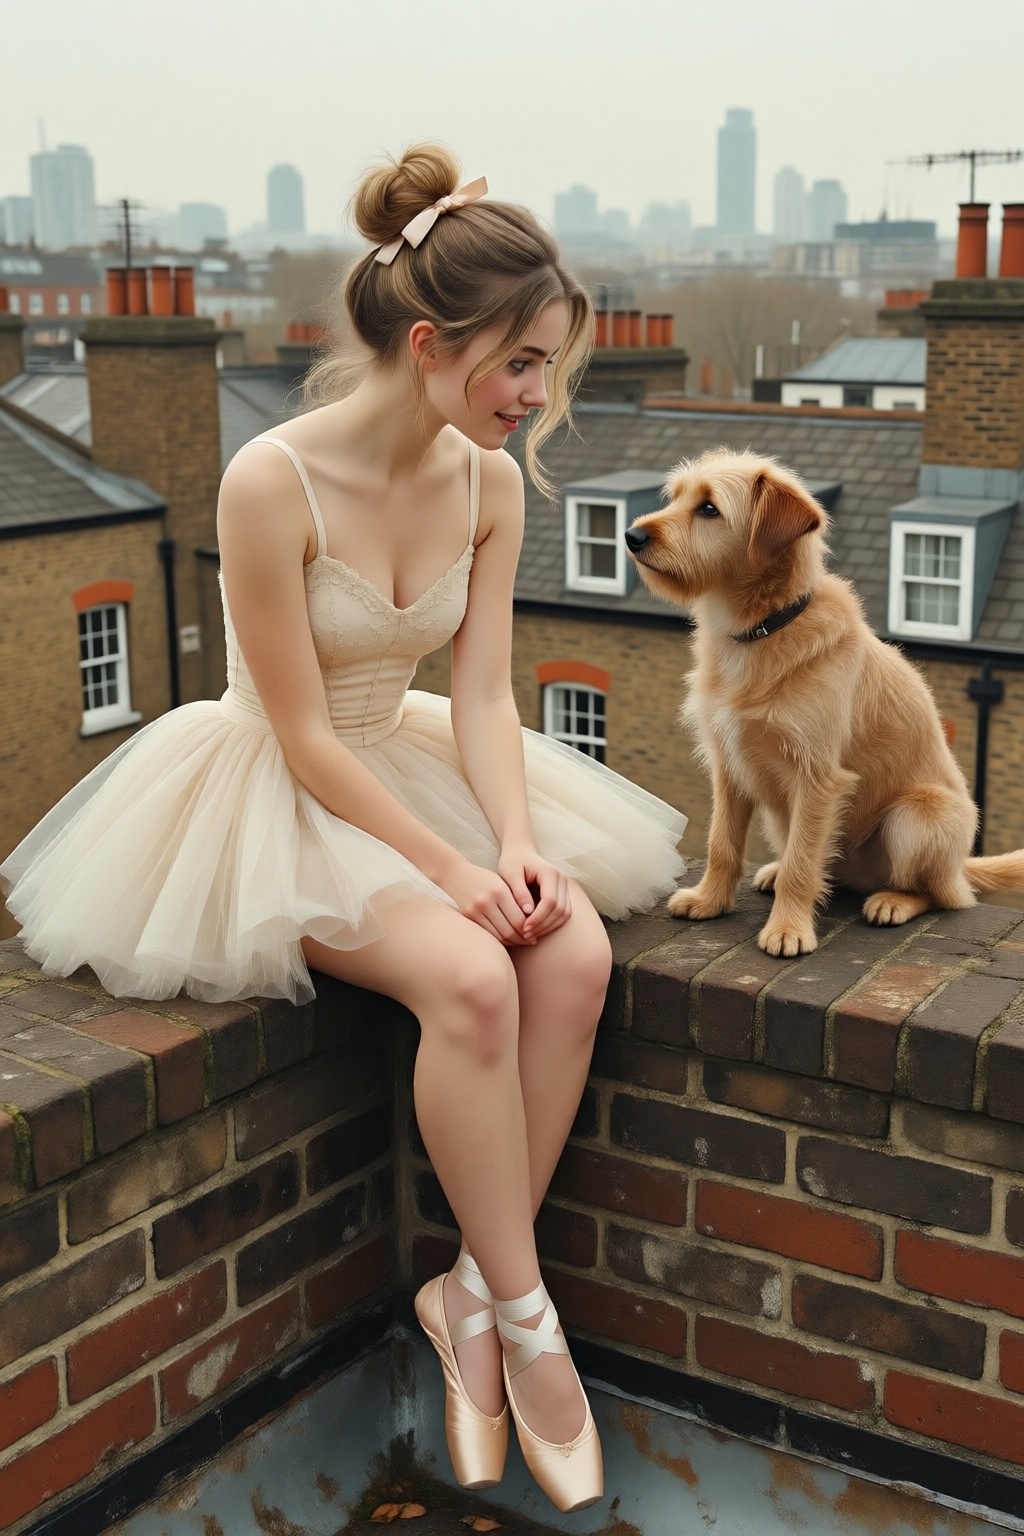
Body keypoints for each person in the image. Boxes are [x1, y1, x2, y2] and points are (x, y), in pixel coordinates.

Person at [1, 144, 686, 1513]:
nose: (537, 397)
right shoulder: (270, 480)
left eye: (550, 366)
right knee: (472, 976)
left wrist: (510, 839)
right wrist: (450, 874)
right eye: (521, 365)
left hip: (420, 767)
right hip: (275, 792)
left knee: (580, 957)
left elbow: (485, 692)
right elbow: (304, 735)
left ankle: (466, 1297)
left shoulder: (490, 483)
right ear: (430, 345)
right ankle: (529, 1326)